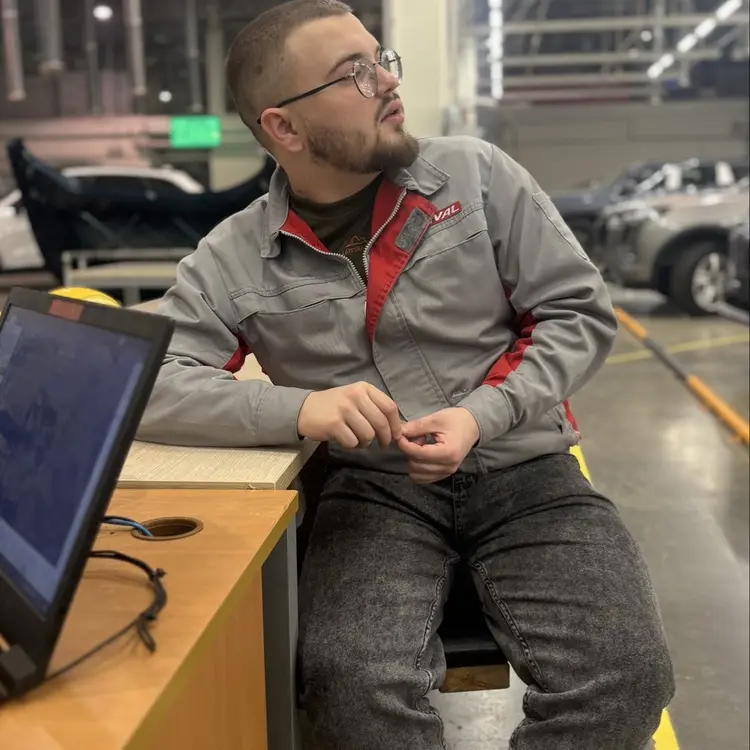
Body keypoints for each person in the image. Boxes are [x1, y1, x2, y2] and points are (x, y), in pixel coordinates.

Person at [138, 1, 675, 747]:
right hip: (375, 491)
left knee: (624, 676)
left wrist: (482, 414)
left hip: (526, 470)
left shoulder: (476, 178)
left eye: (380, 60)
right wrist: (300, 410)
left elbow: (575, 313)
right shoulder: (235, 257)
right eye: (352, 74)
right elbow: (149, 380)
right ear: (283, 127)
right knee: (348, 684)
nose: (387, 82)